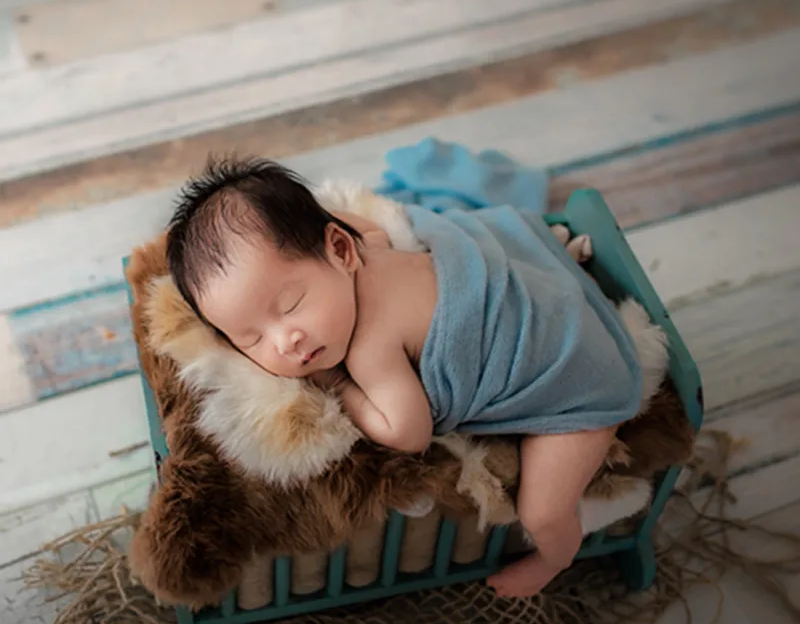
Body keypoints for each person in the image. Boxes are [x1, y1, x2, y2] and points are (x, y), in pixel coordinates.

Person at [166, 157, 643, 597]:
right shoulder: (364, 245)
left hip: (577, 369)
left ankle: (555, 558)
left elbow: (407, 432)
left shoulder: (371, 348)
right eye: (251, 339)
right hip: (539, 288)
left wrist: (340, 385)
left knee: (543, 511)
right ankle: (562, 255)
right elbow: (369, 225)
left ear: (338, 249)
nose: (285, 341)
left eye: (290, 305)